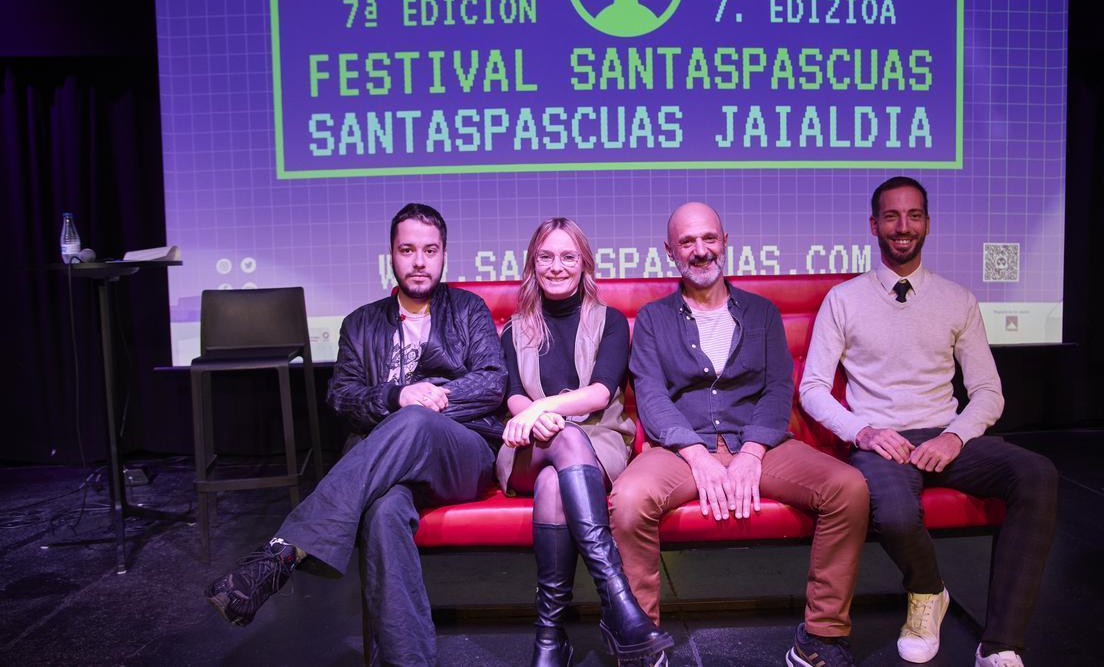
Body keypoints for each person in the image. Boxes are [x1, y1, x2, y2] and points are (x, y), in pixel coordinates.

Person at [204, 203, 507, 666]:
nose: (419, 261)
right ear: (391, 254)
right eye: (408, 250)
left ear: (445, 255)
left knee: (417, 420)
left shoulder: (468, 310)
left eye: (430, 250)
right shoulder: (361, 323)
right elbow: (342, 398)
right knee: (384, 514)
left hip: (459, 453)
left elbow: (491, 382)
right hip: (385, 466)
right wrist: (397, 397)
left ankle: (283, 552)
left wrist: (425, 401)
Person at [799, 177, 1058, 667]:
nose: (903, 227)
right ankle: (927, 591)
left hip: (945, 435)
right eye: (892, 216)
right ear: (873, 226)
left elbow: (987, 391)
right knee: (895, 514)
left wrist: (955, 436)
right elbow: (812, 388)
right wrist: (865, 432)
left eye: (913, 215)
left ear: (927, 224)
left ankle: (1000, 642)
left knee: (1036, 473)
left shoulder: (957, 299)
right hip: (881, 442)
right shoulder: (844, 298)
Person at [609, 202, 870, 667]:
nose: (700, 250)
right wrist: (698, 455)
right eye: (687, 242)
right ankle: (642, 641)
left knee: (848, 488)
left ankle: (820, 639)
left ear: (724, 241)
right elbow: (650, 396)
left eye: (708, 238)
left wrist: (750, 452)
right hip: (682, 448)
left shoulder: (763, 312)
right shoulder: (653, 319)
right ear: (670, 252)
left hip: (760, 442)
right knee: (628, 501)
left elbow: (776, 389)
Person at [497, 217, 673, 666]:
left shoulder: (610, 321)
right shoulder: (514, 329)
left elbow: (600, 392)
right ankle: (617, 599)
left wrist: (545, 410)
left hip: (596, 440)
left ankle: (550, 639)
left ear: (584, 264)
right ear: (532, 264)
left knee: (557, 480)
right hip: (527, 446)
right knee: (560, 444)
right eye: (546, 257)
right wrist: (533, 416)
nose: (557, 267)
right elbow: (515, 394)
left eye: (568, 256)